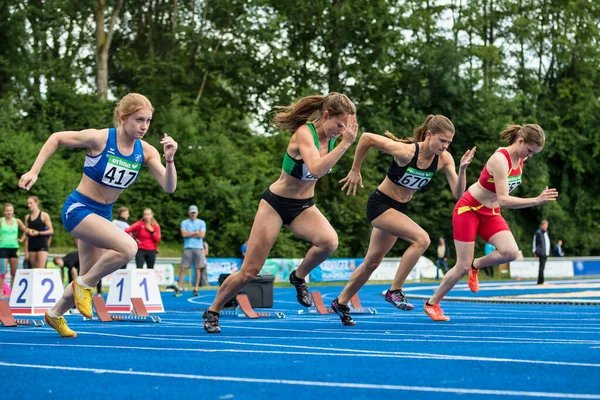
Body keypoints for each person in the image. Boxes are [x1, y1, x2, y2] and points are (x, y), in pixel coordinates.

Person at [19, 93, 178, 337]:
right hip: (79, 209)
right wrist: (34, 171)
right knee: (128, 248)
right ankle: (84, 286)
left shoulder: (146, 152)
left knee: (88, 272)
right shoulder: (100, 138)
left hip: (102, 215)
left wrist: (169, 160)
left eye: (148, 121)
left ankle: (54, 314)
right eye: (139, 120)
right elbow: (57, 138)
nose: (144, 126)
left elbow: (169, 187)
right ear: (123, 119)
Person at [203, 92, 358, 333]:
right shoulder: (305, 134)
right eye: (339, 125)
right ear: (326, 115)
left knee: (329, 242)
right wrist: (346, 144)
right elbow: (316, 168)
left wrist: (352, 161)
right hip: (275, 204)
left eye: (346, 128)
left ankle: (298, 276)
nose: (341, 131)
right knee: (250, 270)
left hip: (303, 207)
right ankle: (213, 310)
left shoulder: (332, 139)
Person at [330, 115, 476, 326]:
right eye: (442, 140)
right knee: (422, 240)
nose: (444, 146)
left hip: (398, 209)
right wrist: (355, 170)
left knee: (372, 262)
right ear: (429, 135)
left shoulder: (444, 159)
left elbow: (457, 193)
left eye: (448, 143)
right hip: (380, 205)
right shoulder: (407, 152)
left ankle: (341, 302)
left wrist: (462, 169)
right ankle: (395, 290)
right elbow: (367, 138)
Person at [424, 124, 558, 321]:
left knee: (511, 252)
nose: (529, 156)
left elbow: (499, 201)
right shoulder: (499, 159)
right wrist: (536, 200)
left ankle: (475, 265)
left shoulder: (519, 158)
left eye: (533, 153)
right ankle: (432, 303)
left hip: (490, 212)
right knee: (460, 266)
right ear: (520, 141)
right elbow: (504, 199)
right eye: (529, 150)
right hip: (469, 210)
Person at [177, 205, 206, 297]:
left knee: (198, 268)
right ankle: (179, 287)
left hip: (198, 247)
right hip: (188, 247)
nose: (193, 214)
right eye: (191, 212)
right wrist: (195, 233)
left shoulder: (201, 222)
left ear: (197, 213)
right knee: (183, 268)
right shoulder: (184, 222)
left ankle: (195, 288)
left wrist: (189, 233)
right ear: (189, 213)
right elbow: (184, 234)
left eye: (194, 212)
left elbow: (202, 235)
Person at [0, 203, 27, 290]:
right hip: (3, 248)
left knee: (14, 272)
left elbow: (26, 230)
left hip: (14, 248)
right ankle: (1, 291)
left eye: (10, 210)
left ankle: (13, 291)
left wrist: (22, 239)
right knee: (3, 271)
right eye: (7, 210)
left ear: (13, 211)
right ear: (4, 211)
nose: (9, 212)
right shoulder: (1, 220)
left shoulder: (17, 221)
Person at [24, 196, 54, 269]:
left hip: (42, 244)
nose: (29, 205)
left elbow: (51, 230)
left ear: (36, 203)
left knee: (40, 269)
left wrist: (38, 233)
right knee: (33, 269)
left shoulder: (44, 215)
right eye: (28, 203)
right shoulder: (27, 217)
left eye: (31, 203)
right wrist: (26, 251)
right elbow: (26, 234)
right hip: (31, 244)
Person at [533, 220, 551, 285]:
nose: (546, 227)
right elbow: (535, 243)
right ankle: (540, 281)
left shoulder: (546, 233)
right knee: (541, 267)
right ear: (542, 225)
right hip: (541, 252)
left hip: (545, 252)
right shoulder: (538, 233)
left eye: (547, 226)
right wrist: (534, 252)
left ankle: (541, 280)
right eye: (545, 225)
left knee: (542, 267)